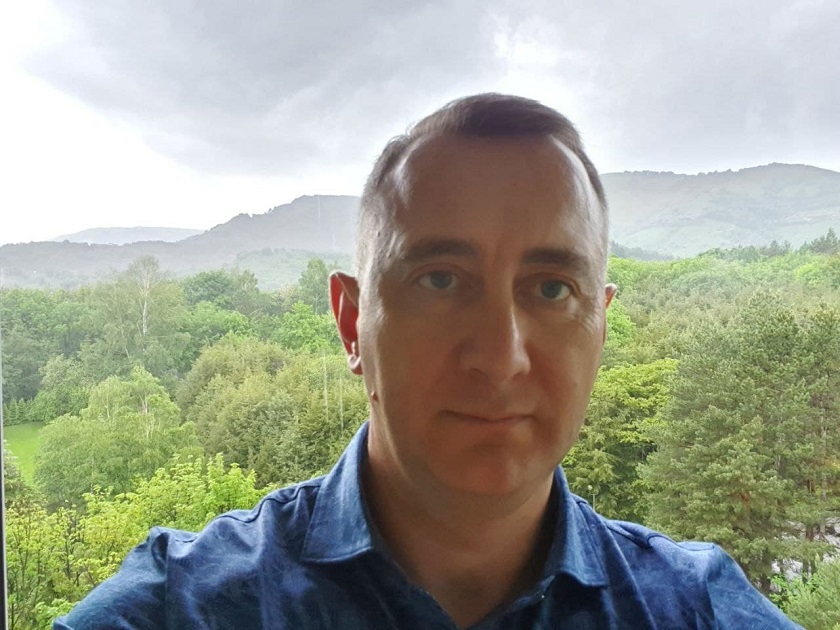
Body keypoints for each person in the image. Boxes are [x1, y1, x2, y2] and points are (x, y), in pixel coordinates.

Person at [55, 94, 800, 629]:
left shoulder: (694, 606)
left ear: (599, 327)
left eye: (551, 288)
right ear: (352, 323)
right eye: (440, 280)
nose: (501, 359)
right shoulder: (184, 605)